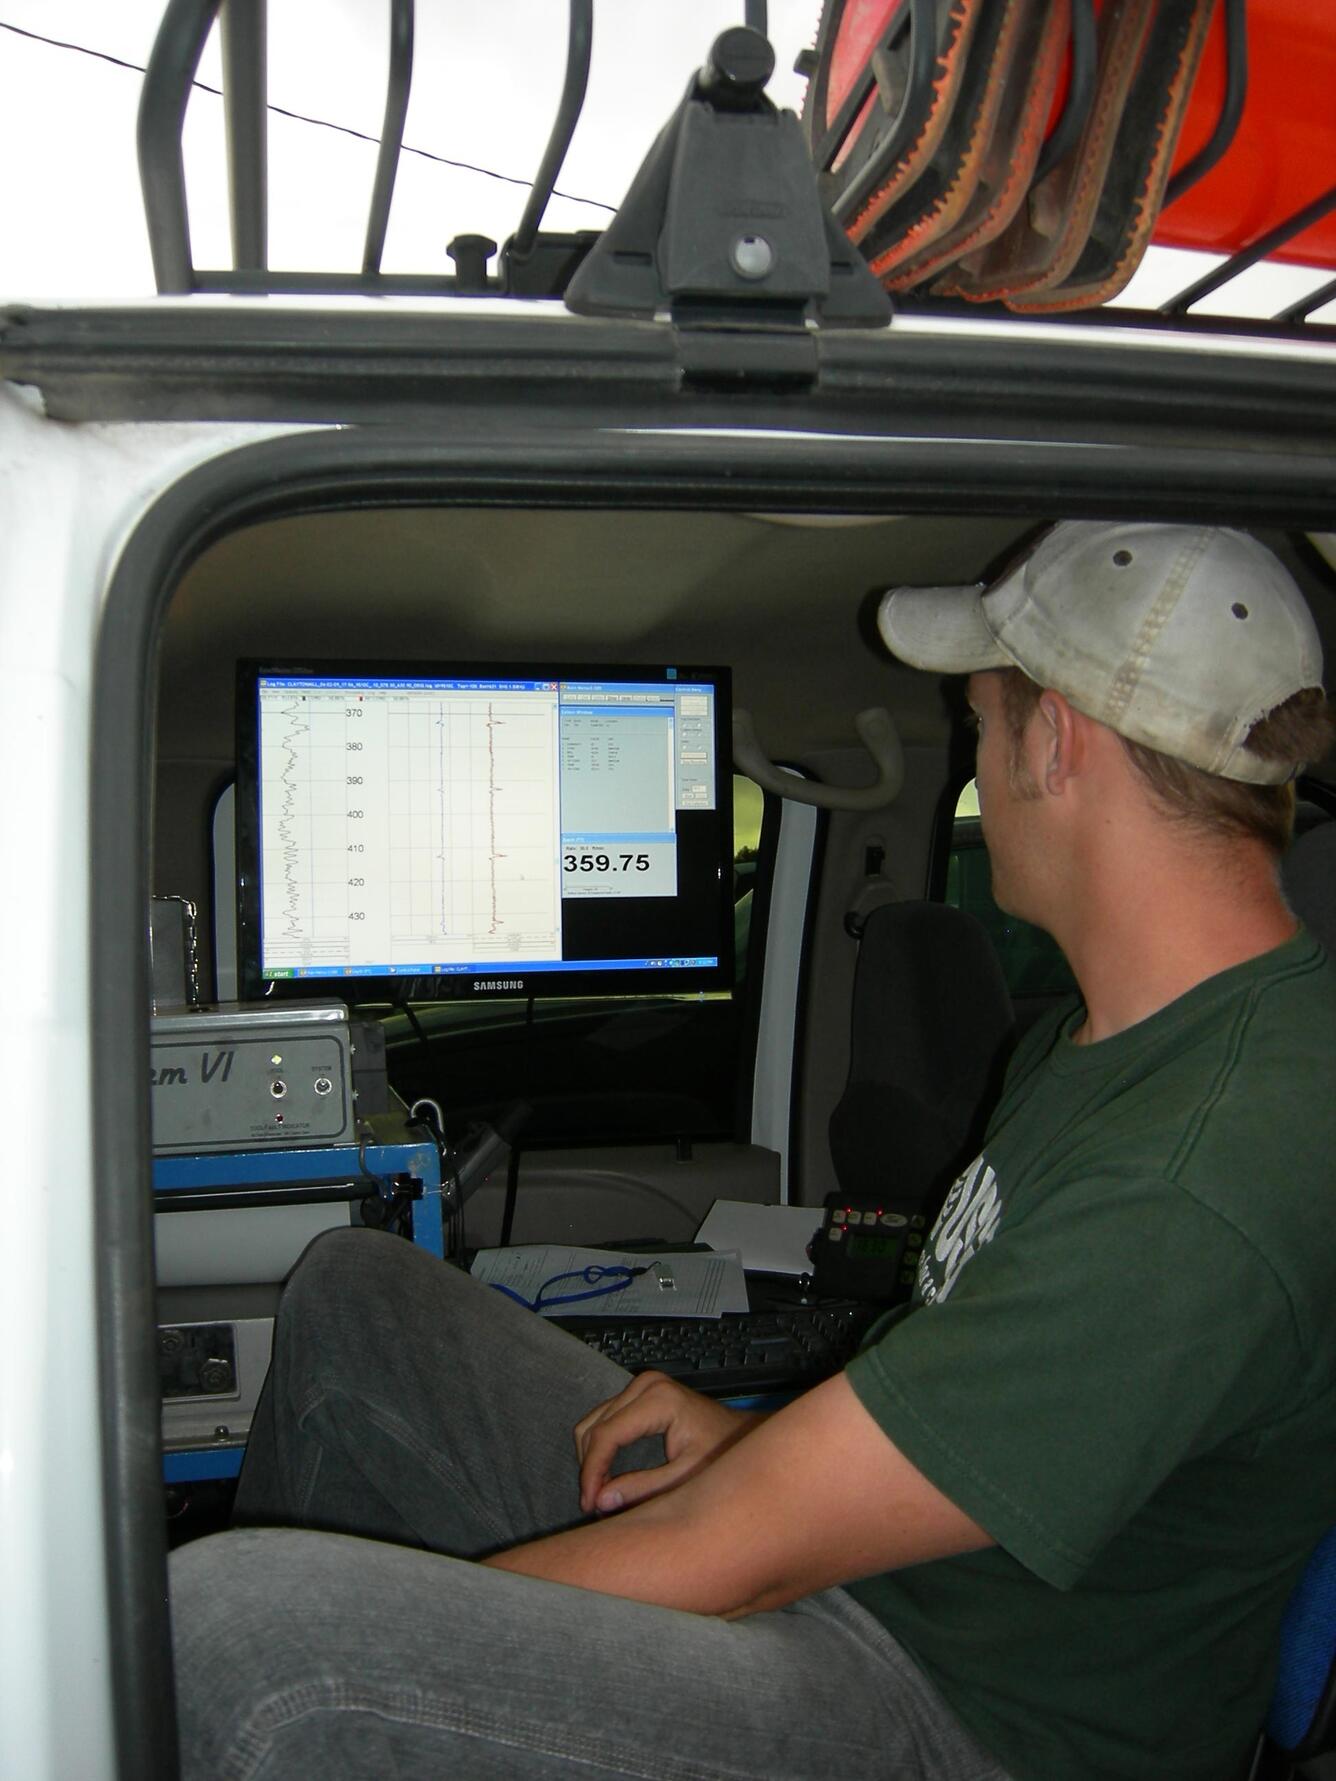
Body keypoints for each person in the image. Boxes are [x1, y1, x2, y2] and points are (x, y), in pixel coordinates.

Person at [170, 521, 1336, 1781]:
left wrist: (424, 1639)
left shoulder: (1205, 1163)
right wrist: (752, 1444)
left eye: (984, 728)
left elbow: (748, 1547)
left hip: (975, 1722)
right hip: (905, 1583)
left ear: (1055, 742)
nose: (979, 769)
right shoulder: (1125, 1036)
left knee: (244, 1636)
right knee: (361, 1295)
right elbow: (974, 1412)